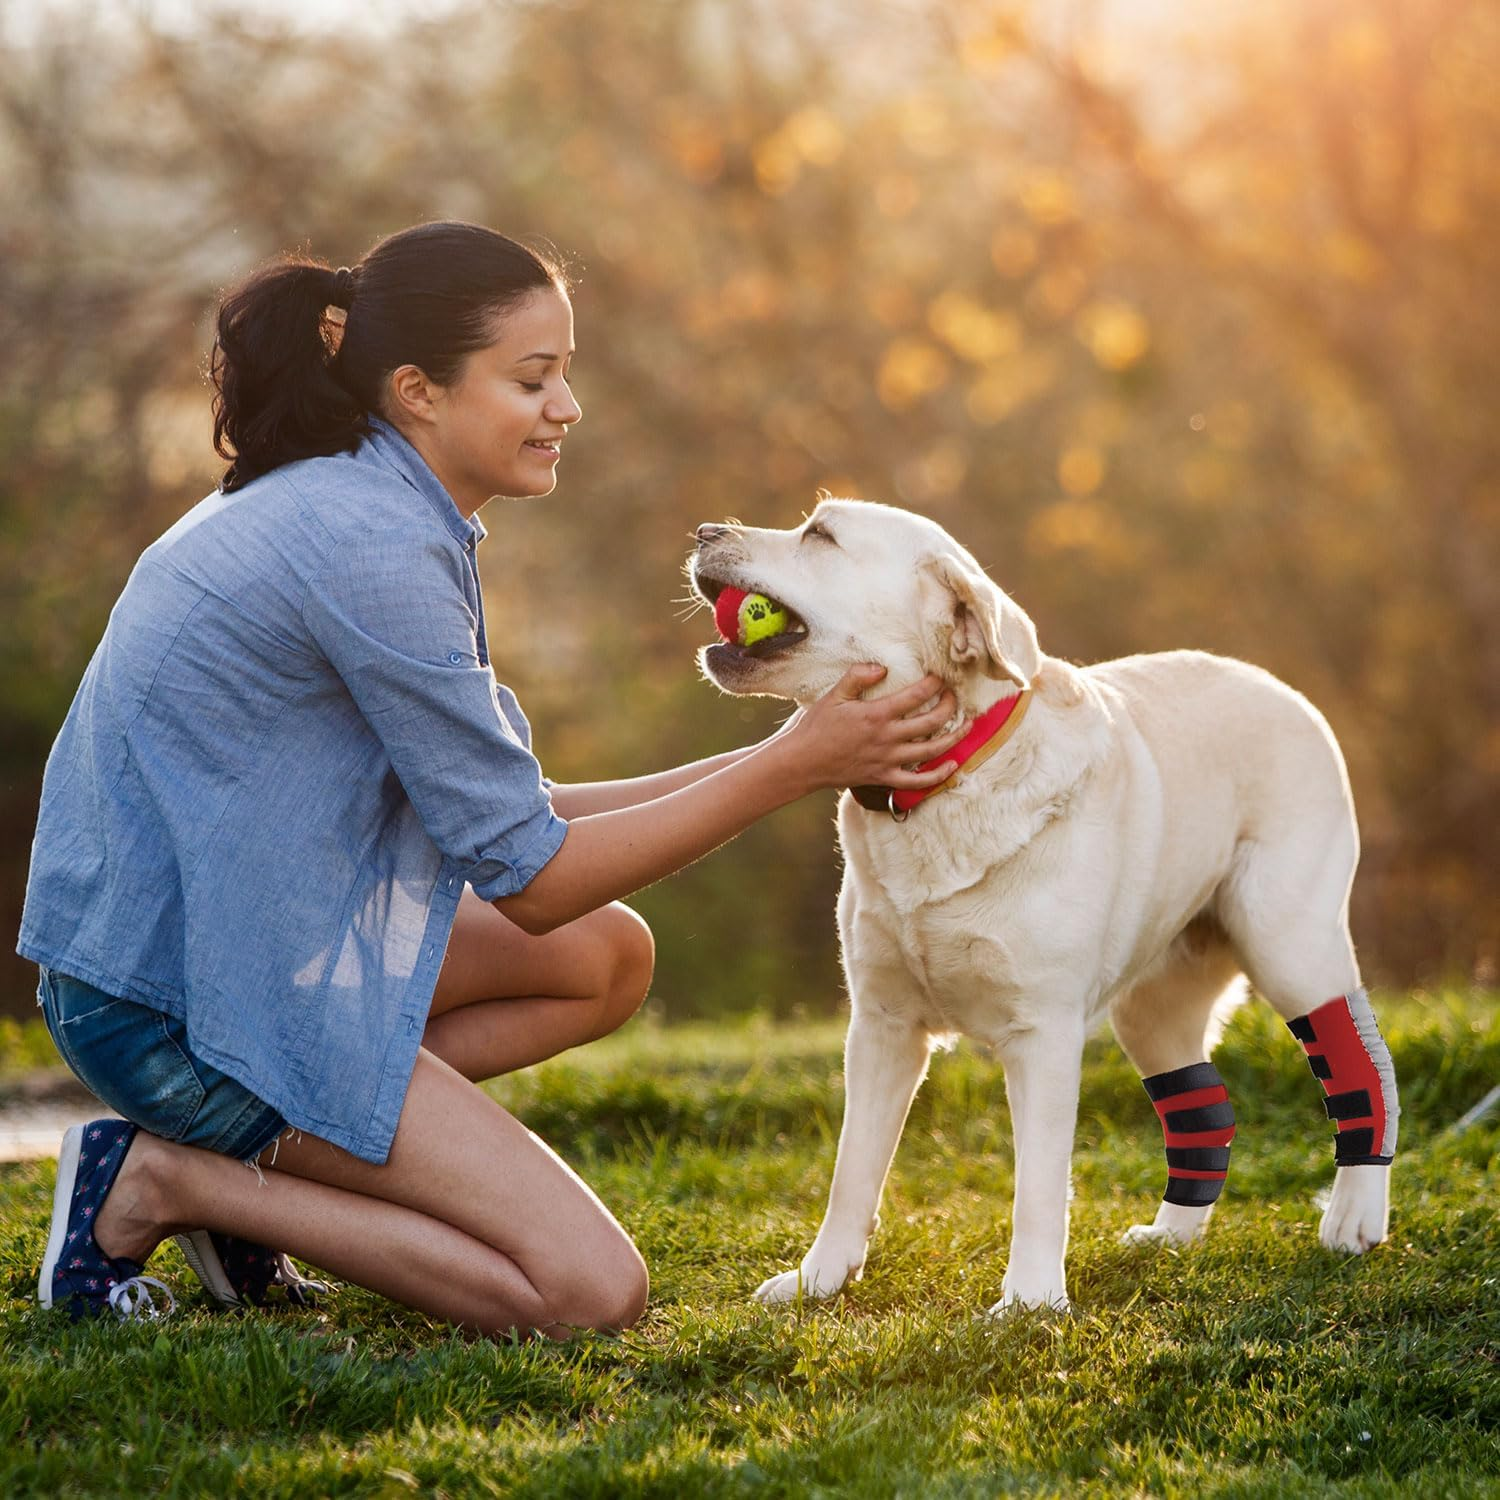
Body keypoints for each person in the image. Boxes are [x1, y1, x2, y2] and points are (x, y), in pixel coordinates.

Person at [19, 220, 966, 1337]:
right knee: (586, 1293)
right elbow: (534, 878)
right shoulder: (371, 544)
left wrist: (795, 759)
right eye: (533, 378)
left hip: (237, 946)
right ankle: (169, 1181)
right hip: (173, 1010)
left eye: (565, 373)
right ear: (418, 390)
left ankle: (264, 1176)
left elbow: (513, 818)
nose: (567, 406)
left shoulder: (369, 500)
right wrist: (789, 767)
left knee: (606, 958)